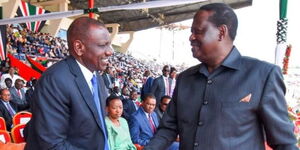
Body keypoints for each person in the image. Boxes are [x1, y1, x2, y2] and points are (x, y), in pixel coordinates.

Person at [144, 3, 298, 150]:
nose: (191, 37)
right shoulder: (185, 79)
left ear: (221, 32)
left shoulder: (262, 75)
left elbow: (284, 143)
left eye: (197, 31)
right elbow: (167, 130)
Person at [24, 17, 113, 150]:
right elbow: (53, 145)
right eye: (102, 45)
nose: (110, 51)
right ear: (79, 47)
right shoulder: (54, 80)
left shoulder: (97, 76)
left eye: (109, 44)